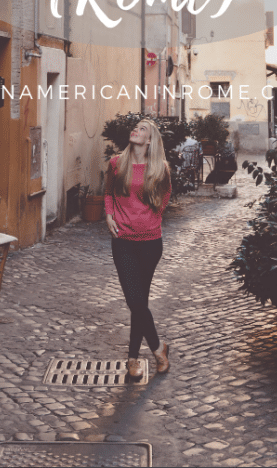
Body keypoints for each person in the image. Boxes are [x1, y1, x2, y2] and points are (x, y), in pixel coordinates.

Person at [104, 117, 172, 380]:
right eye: (136, 128)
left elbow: (164, 199)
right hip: (123, 240)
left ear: (150, 139)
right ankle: (158, 348)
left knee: (139, 302)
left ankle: (133, 358)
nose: (136, 130)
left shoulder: (160, 169)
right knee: (135, 300)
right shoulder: (117, 164)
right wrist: (109, 215)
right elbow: (109, 192)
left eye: (142, 129)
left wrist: (149, 219)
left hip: (151, 243)